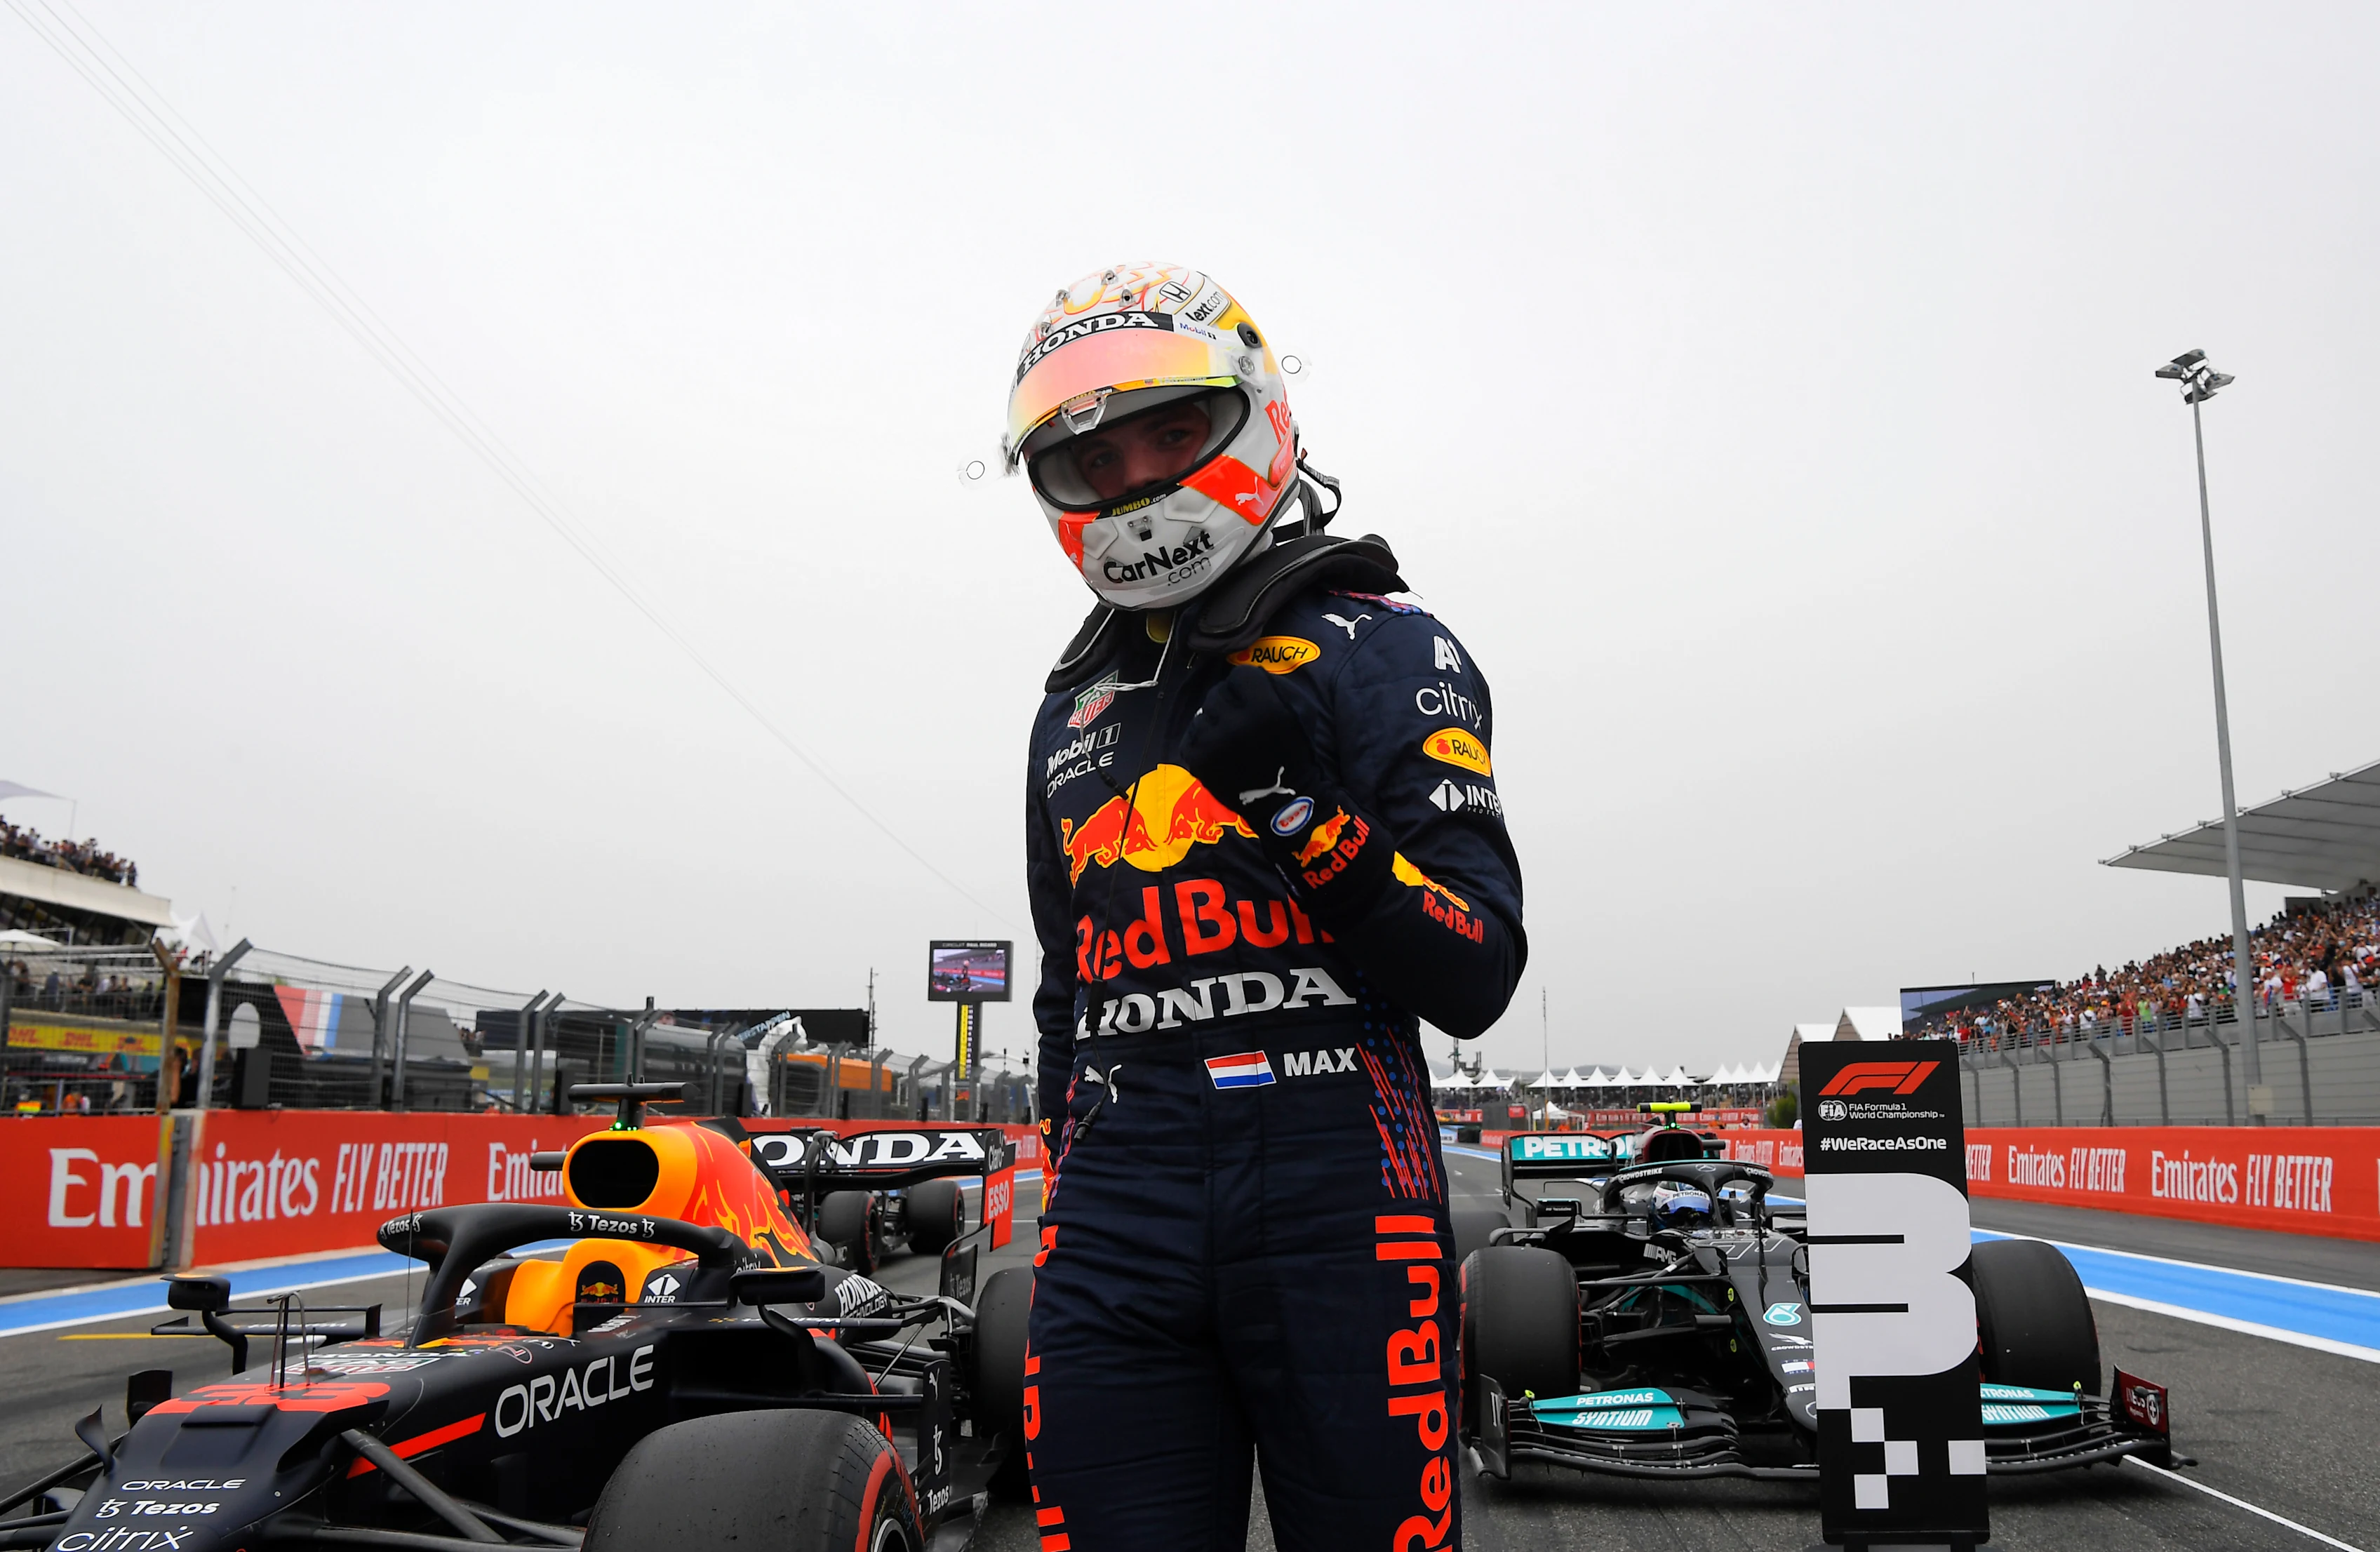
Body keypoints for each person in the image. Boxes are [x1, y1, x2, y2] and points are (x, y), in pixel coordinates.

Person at [1012, 262, 1525, 1551]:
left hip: (1338, 1181)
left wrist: (1299, 807)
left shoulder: (1391, 642)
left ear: (1252, 417)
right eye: (1093, 460)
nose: (1134, 484)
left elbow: (1478, 969)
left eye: (1170, 436)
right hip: (1118, 1201)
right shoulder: (1068, 710)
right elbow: (1067, 982)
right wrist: (1072, 1161)